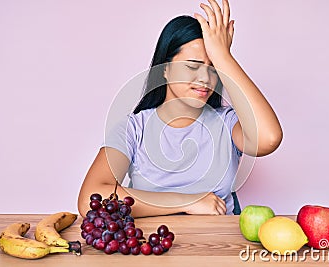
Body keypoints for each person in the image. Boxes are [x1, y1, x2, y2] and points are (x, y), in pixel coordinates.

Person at [78, 0, 282, 217]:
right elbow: (91, 199)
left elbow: (269, 138)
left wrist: (223, 56)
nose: (205, 78)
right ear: (165, 69)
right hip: (155, 246)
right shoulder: (134, 128)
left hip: (221, 246)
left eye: (213, 69)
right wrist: (187, 202)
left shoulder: (227, 123)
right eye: (193, 66)